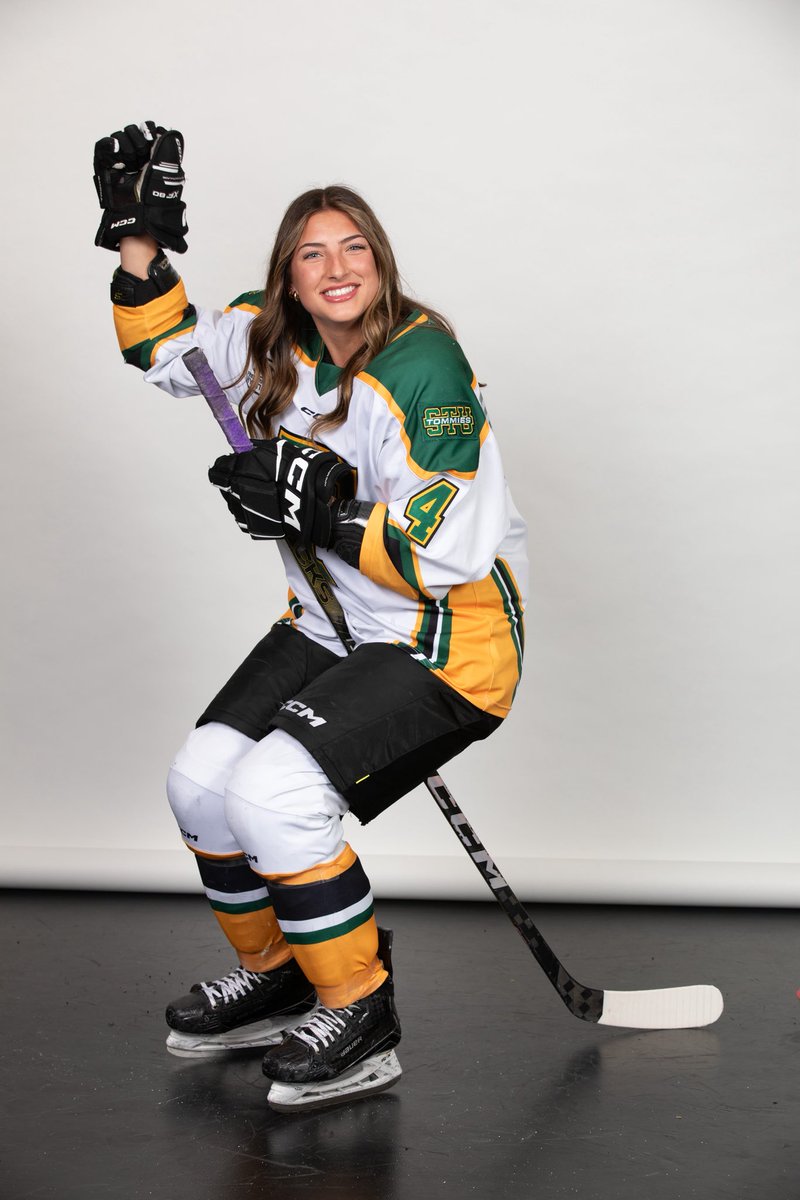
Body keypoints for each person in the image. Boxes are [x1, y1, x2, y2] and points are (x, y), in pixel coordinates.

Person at [93, 121, 529, 1111]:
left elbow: (455, 547)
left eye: (354, 249)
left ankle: (360, 1009)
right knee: (202, 783)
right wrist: (137, 247)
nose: (335, 269)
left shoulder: (424, 368)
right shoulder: (270, 337)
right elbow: (168, 350)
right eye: (311, 254)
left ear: (380, 263)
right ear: (286, 276)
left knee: (275, 798)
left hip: (447, 640)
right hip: (333, 621)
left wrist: (325, 508)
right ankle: (284, 975)